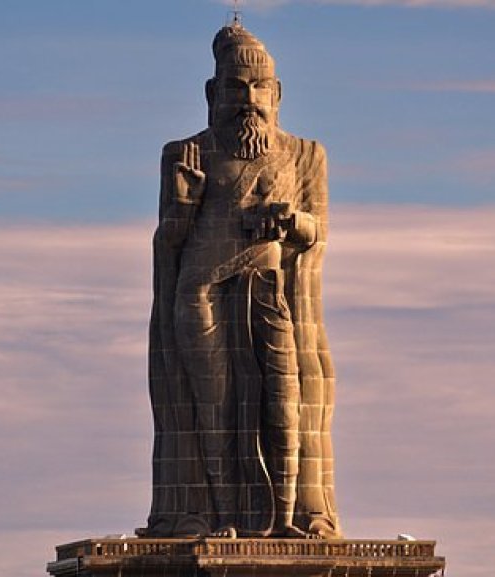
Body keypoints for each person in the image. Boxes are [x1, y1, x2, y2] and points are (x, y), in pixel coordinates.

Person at [143, 22, 340, 539]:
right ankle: (222, 517)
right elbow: (169, 243)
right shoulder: (185, 154)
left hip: (272, 294)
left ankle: (290, 517)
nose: (248, 100)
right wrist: (185, 202)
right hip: (203, 294)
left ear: (277, 94)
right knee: (215, 409)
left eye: (259, 89)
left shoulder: (304, 154)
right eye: (235, 87)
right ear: (213, 93)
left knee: (286, 405)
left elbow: (318, 231)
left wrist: (292, 223)